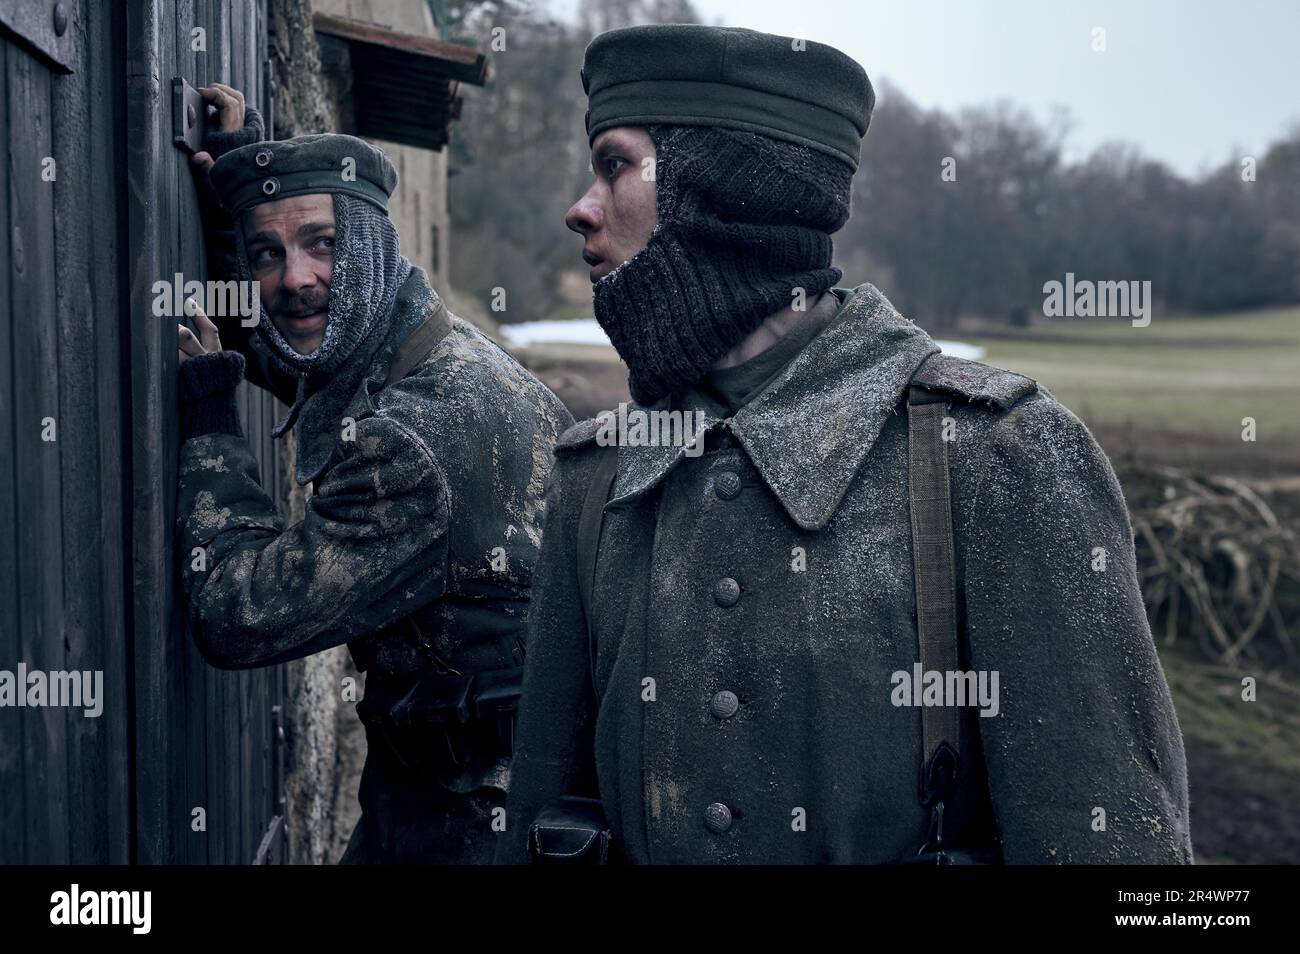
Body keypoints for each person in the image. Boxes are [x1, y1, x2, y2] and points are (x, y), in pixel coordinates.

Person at [496, 25, 1193, 864]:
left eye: (614, 165)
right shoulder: (596, 477)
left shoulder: (1000, 458)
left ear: (725, 189)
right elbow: (544, 823)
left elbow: (1113, 852)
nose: (581, 207)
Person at [177, 85, 572, 863]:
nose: (294, 277)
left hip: (474, 819)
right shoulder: (421, 344)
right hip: (472, 784)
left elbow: (240, 612)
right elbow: (299, 348)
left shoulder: (412, 437)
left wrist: (209, 422)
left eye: (321, 243)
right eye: (269, 253)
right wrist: (250, 174)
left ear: (370, 245)